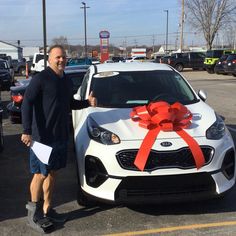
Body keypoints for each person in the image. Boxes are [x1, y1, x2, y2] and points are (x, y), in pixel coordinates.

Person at [21, 44, 97, 233]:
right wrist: (26, 130)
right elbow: (27, 103)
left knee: (53, 173)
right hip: (42, 138)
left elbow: (69, 103)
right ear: (49, 59)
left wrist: (87, 102)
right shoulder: (41, 78)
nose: (61, 60)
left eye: (63, 57)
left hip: (60, 136)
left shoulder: (66, 80)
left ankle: (47, 209)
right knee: (40, 174)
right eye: (57, 57)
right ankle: (34, 214)